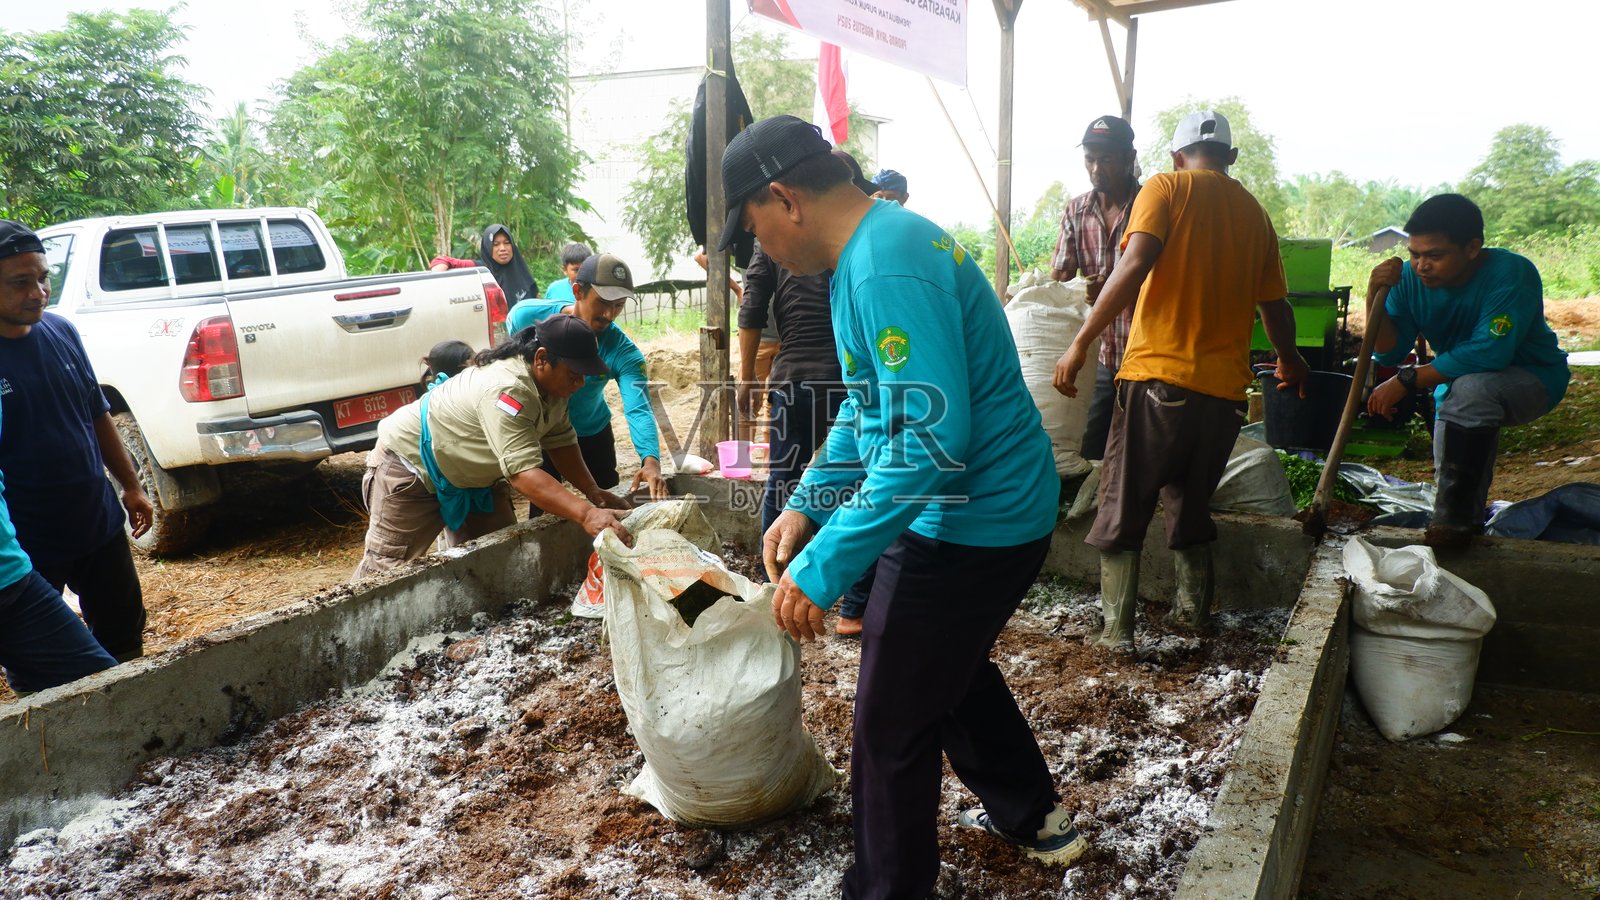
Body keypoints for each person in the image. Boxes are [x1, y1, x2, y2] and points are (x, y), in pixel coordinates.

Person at [720, 115, 1085, 897]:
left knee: (889, 724)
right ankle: (1032, 813)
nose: (762, 252)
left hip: (971, 520)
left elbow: (927, 437)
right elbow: (870, 410)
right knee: (939, 668)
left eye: (752, 229)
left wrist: (822, 569)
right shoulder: (871, 253)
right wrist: (806, 505)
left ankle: (889, 888)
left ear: (784, 199)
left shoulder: (885, 263)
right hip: (972, 507)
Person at [1054, 111, 1309, 654]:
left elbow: (1136, 262)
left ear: (1174, 156)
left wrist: (1081, 343)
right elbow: (1275, 304)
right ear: (1231, 159)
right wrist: (1289, 360)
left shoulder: (1167, 188)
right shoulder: (1254, 213)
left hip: (1157, 378)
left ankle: (1116, 634)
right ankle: (1193, 615)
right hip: (1221, 393)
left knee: (1122, 504)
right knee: (1190, 506)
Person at [351, 316, 632, 580]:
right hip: (411, 466)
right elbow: (523, 475)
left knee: (500, 560)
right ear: (542, 358)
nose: (580, 383)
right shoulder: (508, 388)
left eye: (583, 375)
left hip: (474, 476)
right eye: (574, 374)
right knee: (385, 574)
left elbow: (561, 442)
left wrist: (592, 491)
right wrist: (586, 514)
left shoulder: (554, 389)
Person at [1366, 194, 1569, 547]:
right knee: (1451, 486)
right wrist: (1373, 295)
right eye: (1415, 254)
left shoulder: (1511, 273)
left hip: (1533, 378)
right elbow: (1388, 351)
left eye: (1435, 256)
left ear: (1473, 248)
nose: (1421, 266)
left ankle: (1454, 530)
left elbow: (1490, 352)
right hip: (1458, 387)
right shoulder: (1411, 281)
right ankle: (1462, 533)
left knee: (1474, 390)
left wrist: (1409, 380)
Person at [738, 149, 878, 635]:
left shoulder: (867, 262)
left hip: (797, 379)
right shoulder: (839, 260)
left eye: (756, 229)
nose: (764, 243)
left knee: (786, 480)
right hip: (831, 379)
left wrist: (748, 376)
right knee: (832, 487)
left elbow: (752, 303)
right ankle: (851, 604)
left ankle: (774, 586)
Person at [0, 219, 154, 664]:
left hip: (97, 522)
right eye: (20, 283)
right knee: (49, 664)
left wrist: (130, 485)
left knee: (124, 637)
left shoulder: (62, 331)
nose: (37, 293)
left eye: (43, 278)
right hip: (30, 541)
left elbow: (96, 412)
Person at [505, 253, 669, 507]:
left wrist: (650, 460)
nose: (609, 313)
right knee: (546, 508)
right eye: (603, 302)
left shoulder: (623, 352)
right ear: (578, 291)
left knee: (609, 500)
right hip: (543, 430)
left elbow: (638, 408)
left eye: (619, 305)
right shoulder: (527, 316)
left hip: (591, 431)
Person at [1050, 115, 1142, 467]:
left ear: (1129, 158)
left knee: (1140, 455)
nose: (1095, 168)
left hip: (1147, 353)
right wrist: (1076, 289)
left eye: (1106, 158)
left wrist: (1115, 288)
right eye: (1090, 158)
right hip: (1101, 354)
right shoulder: (1077, 210)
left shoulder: (1152, 205)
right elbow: (1059, 283)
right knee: (1091, 452)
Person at [429, 224, 538, 304]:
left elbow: (536, 301)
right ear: (488, 247)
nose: (503, 249)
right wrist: (437, 283)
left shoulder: (519, 268)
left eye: (507, 243)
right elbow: (441, 260)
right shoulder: (481, 269)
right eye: (496, 244)